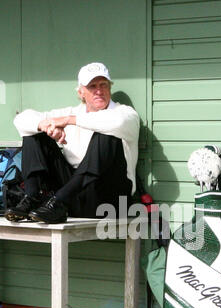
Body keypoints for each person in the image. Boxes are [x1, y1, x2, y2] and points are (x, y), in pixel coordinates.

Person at [5, 62, 140, 223]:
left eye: (103, 84)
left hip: (109, 201)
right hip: (72, 197)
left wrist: (69, 121)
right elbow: (21, 119)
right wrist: (45, 126)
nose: (99, 91)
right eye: (92, 86)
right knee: (33, 132)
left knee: (107, 134)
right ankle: (32, 197)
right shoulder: (72, 111)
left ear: (109, 87)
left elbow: (117, 123)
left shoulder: (124, 113)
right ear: (81, 92)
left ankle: (59, 201)